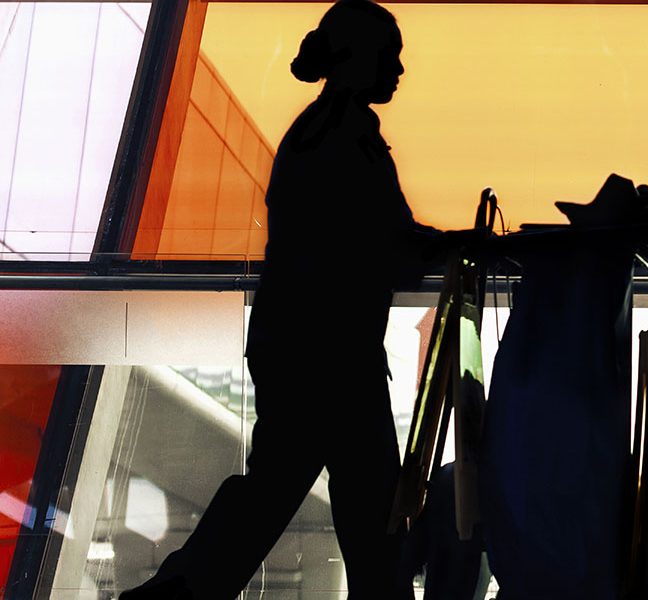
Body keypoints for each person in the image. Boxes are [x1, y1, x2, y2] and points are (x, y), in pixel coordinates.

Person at [122, 1, 431, 597]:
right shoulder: (344, 139)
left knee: (288, 493)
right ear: (355, 61)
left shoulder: (326, 132)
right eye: (389, 55)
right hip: (330, 354)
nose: (398, 69)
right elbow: (386, 239)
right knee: (360, 503)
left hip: (308, 347)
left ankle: (180, 590)